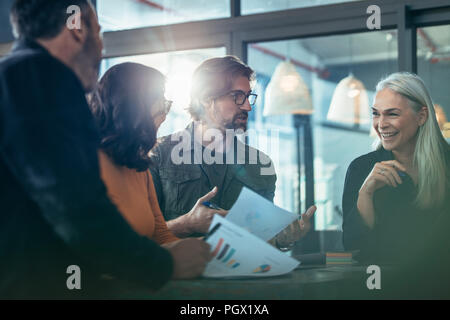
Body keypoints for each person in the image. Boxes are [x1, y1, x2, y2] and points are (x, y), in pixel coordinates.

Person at [0, 0, 209, 299]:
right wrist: (164, 264)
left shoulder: (13, 74)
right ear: (76, 29)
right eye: (99, 34)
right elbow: (77, 208)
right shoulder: (41, 75)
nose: (101, 49)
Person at [149, 56, 316, 247]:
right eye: (237, 96)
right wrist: (187, 223)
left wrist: (280, 238)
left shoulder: (260, 165)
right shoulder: (157, 154)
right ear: (206, 99)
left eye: (248, 96)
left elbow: (261, 240)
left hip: (242, 276)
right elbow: (136, 238)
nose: (248, 106)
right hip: (178, 274)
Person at [342, 72, 450, 264]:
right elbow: (354, 248)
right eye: (376, 113)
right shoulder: (361, 168)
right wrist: (366, 193)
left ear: (422, 116)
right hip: (386, 287)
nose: (381, 125)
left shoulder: (447, 162)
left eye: (392, 114)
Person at [88, 62, 180, 245]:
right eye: (160, 103)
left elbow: (161, 236)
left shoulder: (137, 165)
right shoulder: (88, 165)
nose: (164, 115)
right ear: (135, 108)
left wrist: (212, 250)